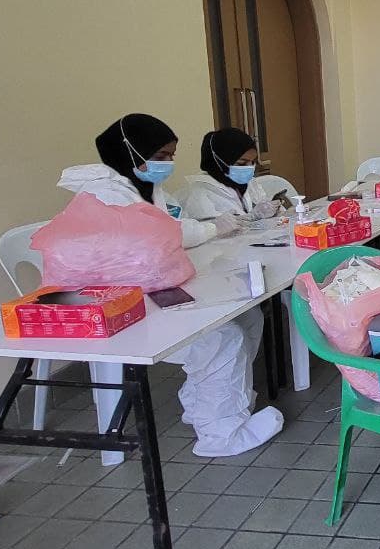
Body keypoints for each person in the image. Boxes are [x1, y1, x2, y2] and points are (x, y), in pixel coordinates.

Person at [58, 113, 284, 457]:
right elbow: (162, 235)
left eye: (170, 156)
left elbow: (167, 231)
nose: (167, 164)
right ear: (128, 150)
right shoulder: (106, 195)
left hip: (148, 290)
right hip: (119, 306)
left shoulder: (145, 189)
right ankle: (221, 435)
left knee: (249, 318)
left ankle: (204, 407)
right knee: (222, 338)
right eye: (161, 156)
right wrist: (209, 229)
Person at [182, 127, 297, 221]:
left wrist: (279, 212)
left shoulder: (246, 181)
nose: (249, 168)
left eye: (253, 162)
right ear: (218, 162)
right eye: (241, 164)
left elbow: (261, 203)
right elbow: (213, 232)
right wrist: (253, 217)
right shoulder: (198, 194)